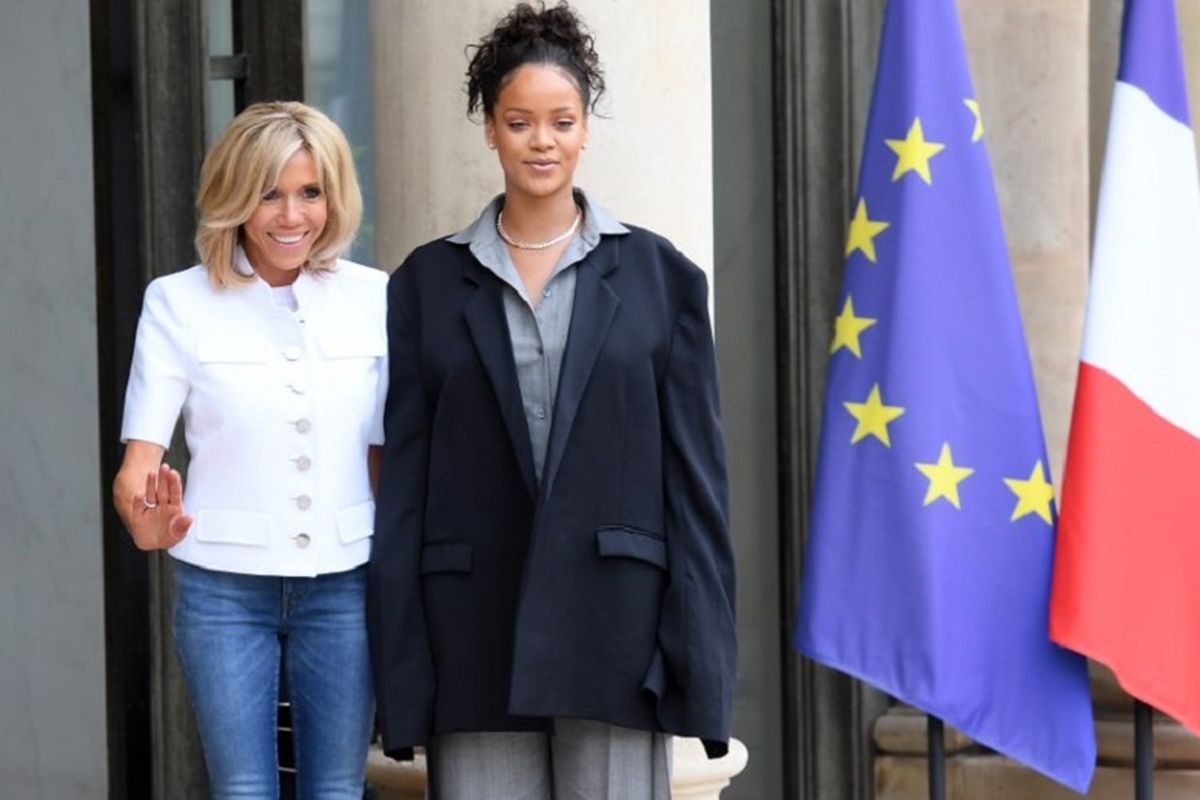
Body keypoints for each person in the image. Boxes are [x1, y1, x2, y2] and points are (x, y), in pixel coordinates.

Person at [368, 3, 736, 797]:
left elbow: (697, 493)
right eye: (520, 121)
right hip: (472, 638)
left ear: (585, 129)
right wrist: (402, 674)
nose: (542, 141)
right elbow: (403, 494)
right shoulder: (425, 286)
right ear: (490, 128)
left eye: (561, 121)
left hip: (617, 637)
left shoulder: (661, 280)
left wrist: (698, 665)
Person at [113, 101, 386, 799]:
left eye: (309, 192)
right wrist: (144, 518)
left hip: (347, 582)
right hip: (223, 588)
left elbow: (385, 454)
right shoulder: (177, 302)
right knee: (242, 790)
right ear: (234, 195)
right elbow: (139, 464)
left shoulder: (377, 298)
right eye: (269, 193)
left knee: (337, 789)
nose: (291, 216)